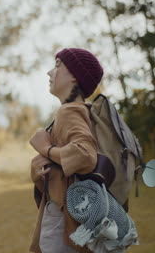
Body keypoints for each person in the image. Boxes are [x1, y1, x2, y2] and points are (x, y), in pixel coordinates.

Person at [28, 48, 103, 253]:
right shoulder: (82, 111)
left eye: (58, 66)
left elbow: (85, 155)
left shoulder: (69, 111)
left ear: (74, 77)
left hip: (63, 220)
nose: (50, 72)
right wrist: (39, 172)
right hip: (71, 214)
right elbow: (69, 175)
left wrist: (46, 148)